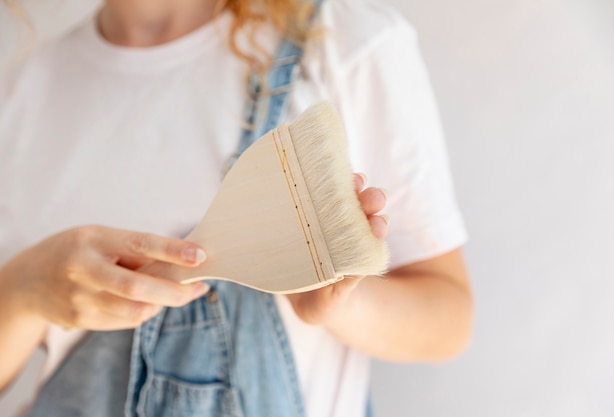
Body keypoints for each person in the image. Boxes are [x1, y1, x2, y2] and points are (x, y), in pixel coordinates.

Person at [0, 0, 473, 415]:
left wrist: (334, 305)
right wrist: (21, 291)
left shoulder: (345, 43)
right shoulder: (24, 89)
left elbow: (449, 320)